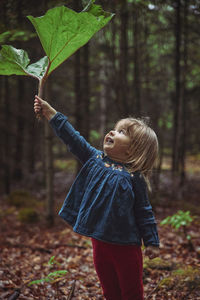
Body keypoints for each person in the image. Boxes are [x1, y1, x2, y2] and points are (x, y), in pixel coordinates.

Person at [34, 95, 160, 300]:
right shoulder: (95, 159)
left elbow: (143, 210)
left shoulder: (133, 177)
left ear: (134, 149)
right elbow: (72, 138)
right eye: (116, 128)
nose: (112, 132)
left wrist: (152, 242)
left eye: (122, 132)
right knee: (109, 290)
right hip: (99, 242)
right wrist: (49, 112)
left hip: (126, 246)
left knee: (132, 292)